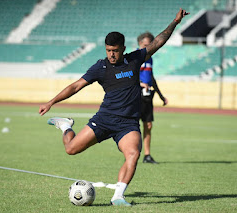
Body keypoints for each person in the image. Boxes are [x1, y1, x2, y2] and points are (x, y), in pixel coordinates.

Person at [39, 8, 189, 206]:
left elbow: (158, 42)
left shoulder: (134, 59)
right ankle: (66, 125)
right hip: (105, 119)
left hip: (127, 124)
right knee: (71, 149)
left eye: (115, 50)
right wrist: (52, 102)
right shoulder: (100, 68)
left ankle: (118, 196)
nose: (111, 54)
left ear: (123, 48)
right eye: (108, 50)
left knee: (133, 154)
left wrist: (175, 22)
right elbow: (76, 86)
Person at [138, 32, 168, 164]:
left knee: (148, 125)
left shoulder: (150, 59)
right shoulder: (134, 57)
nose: (148, 47)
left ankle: (147, 155)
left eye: (150, 44)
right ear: (140, 44)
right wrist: (140, 84)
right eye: (145, 45)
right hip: (135, 94)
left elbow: (152, 78)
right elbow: (126, 76)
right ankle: (131, 153)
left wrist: (161, 95)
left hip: (148, 95)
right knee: (132, 125)